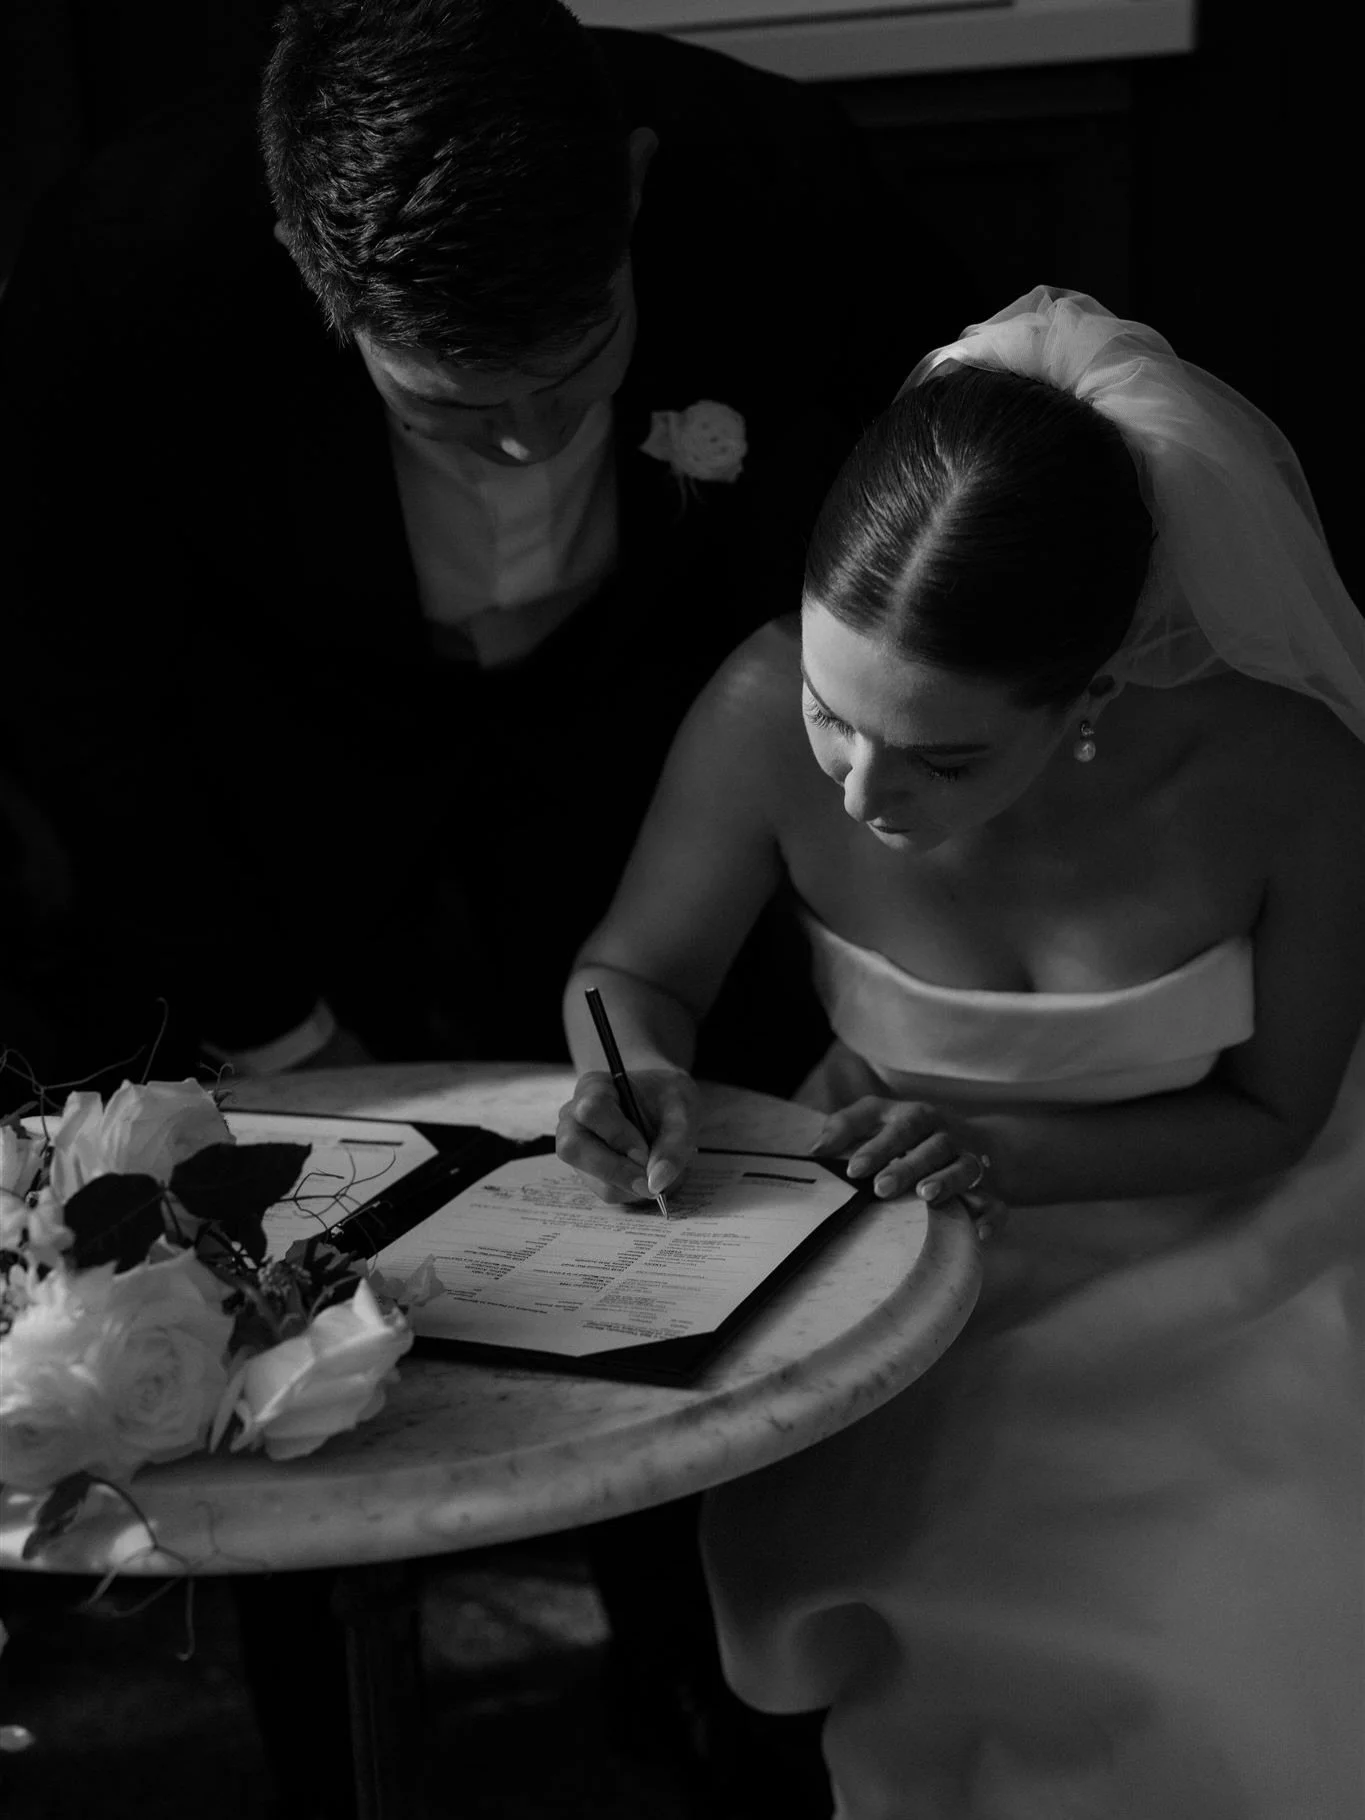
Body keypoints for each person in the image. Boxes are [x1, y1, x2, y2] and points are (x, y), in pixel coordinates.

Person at [556, 288, 1365, 1817]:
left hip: (1231, 1239)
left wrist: (999, 1152)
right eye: (834, 714)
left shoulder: (1291, 780)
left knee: (1225, 1604)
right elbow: (634, 970)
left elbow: (1276, 1115)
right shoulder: (752, 710)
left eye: (941, 757)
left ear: (1091, 694)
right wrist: (631, 1063)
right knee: (910, 1558)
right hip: (893, 1248)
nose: (863, 793)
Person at [1, 0, 954, 1092]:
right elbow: (81, 693)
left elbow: (959, 510)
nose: (528, 442)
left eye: (576, 368)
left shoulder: (782, 176)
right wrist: (282, 1037)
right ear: (300, 259)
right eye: (448, 404)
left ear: (632, 185)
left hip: (662, 714)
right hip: (282, 757)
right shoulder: (125, 266)